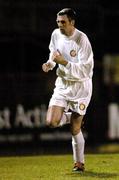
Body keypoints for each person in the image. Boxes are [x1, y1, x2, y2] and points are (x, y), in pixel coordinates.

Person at [42, 8, 94, 172]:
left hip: (80, 87)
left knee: (75, 129)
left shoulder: (81, 39)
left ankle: (79, 163)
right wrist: (50, 64)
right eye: (58, 22)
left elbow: (86, 70)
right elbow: (53, 53)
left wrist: (64, 62)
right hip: (63, 84)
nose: (59, 25)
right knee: (51, 122)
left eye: (63, 22)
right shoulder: (56, 34)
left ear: (72, 22)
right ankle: (74, 117)